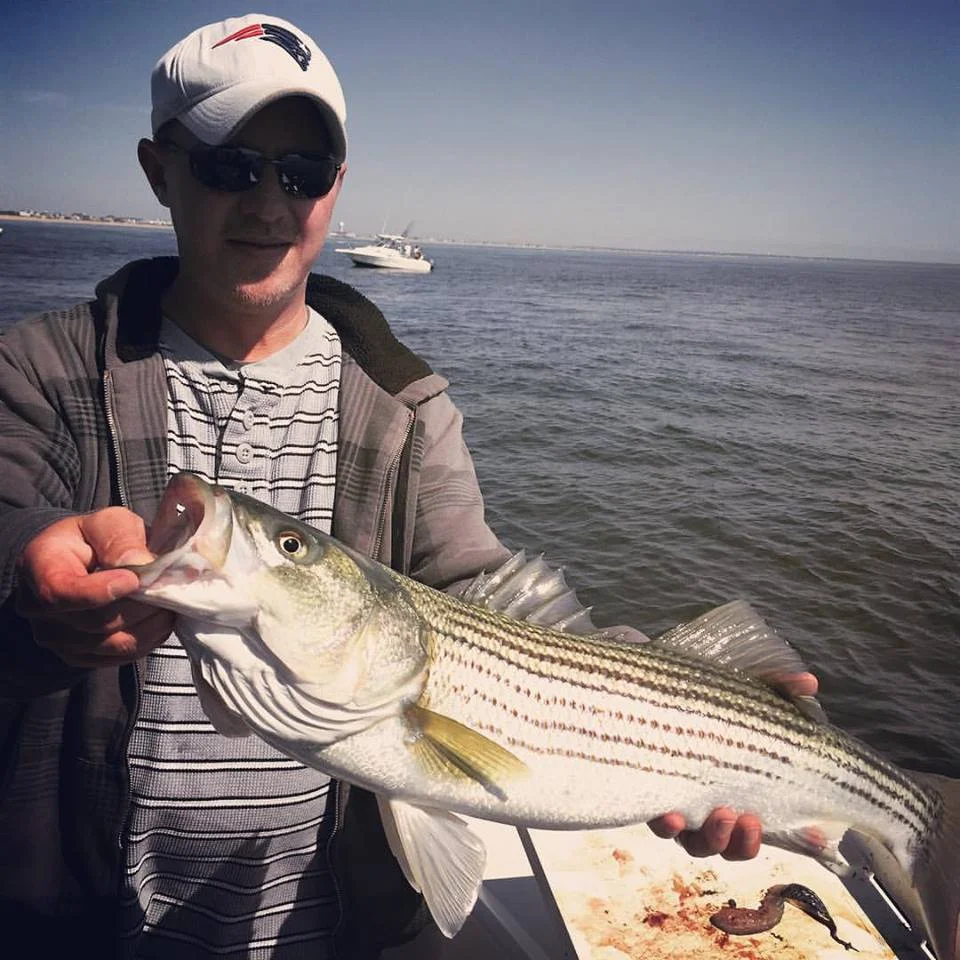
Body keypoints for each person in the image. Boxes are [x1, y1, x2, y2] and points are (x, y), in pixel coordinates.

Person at [0, 13, 817, 959]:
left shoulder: (406, 405)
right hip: (77, 916)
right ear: (159, 169)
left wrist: (701, 699)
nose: (269, 202)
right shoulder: (40, 368)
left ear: (336, 188)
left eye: (301, 174)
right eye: (230, 165)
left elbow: (479, 593)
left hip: (337, 923)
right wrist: (22, 570)